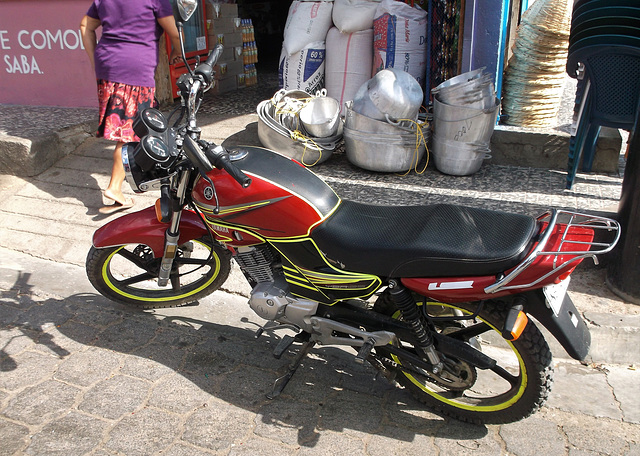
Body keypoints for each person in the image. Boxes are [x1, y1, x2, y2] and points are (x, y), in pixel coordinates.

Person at [80, 0, 182, 214]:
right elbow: (173, 31)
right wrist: (177, 51)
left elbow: (85, 27)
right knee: (131, 130)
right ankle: (114, 188)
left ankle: (138, 174)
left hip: (108, 65)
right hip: (136, 68)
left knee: (130, 126)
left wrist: (95, 61)